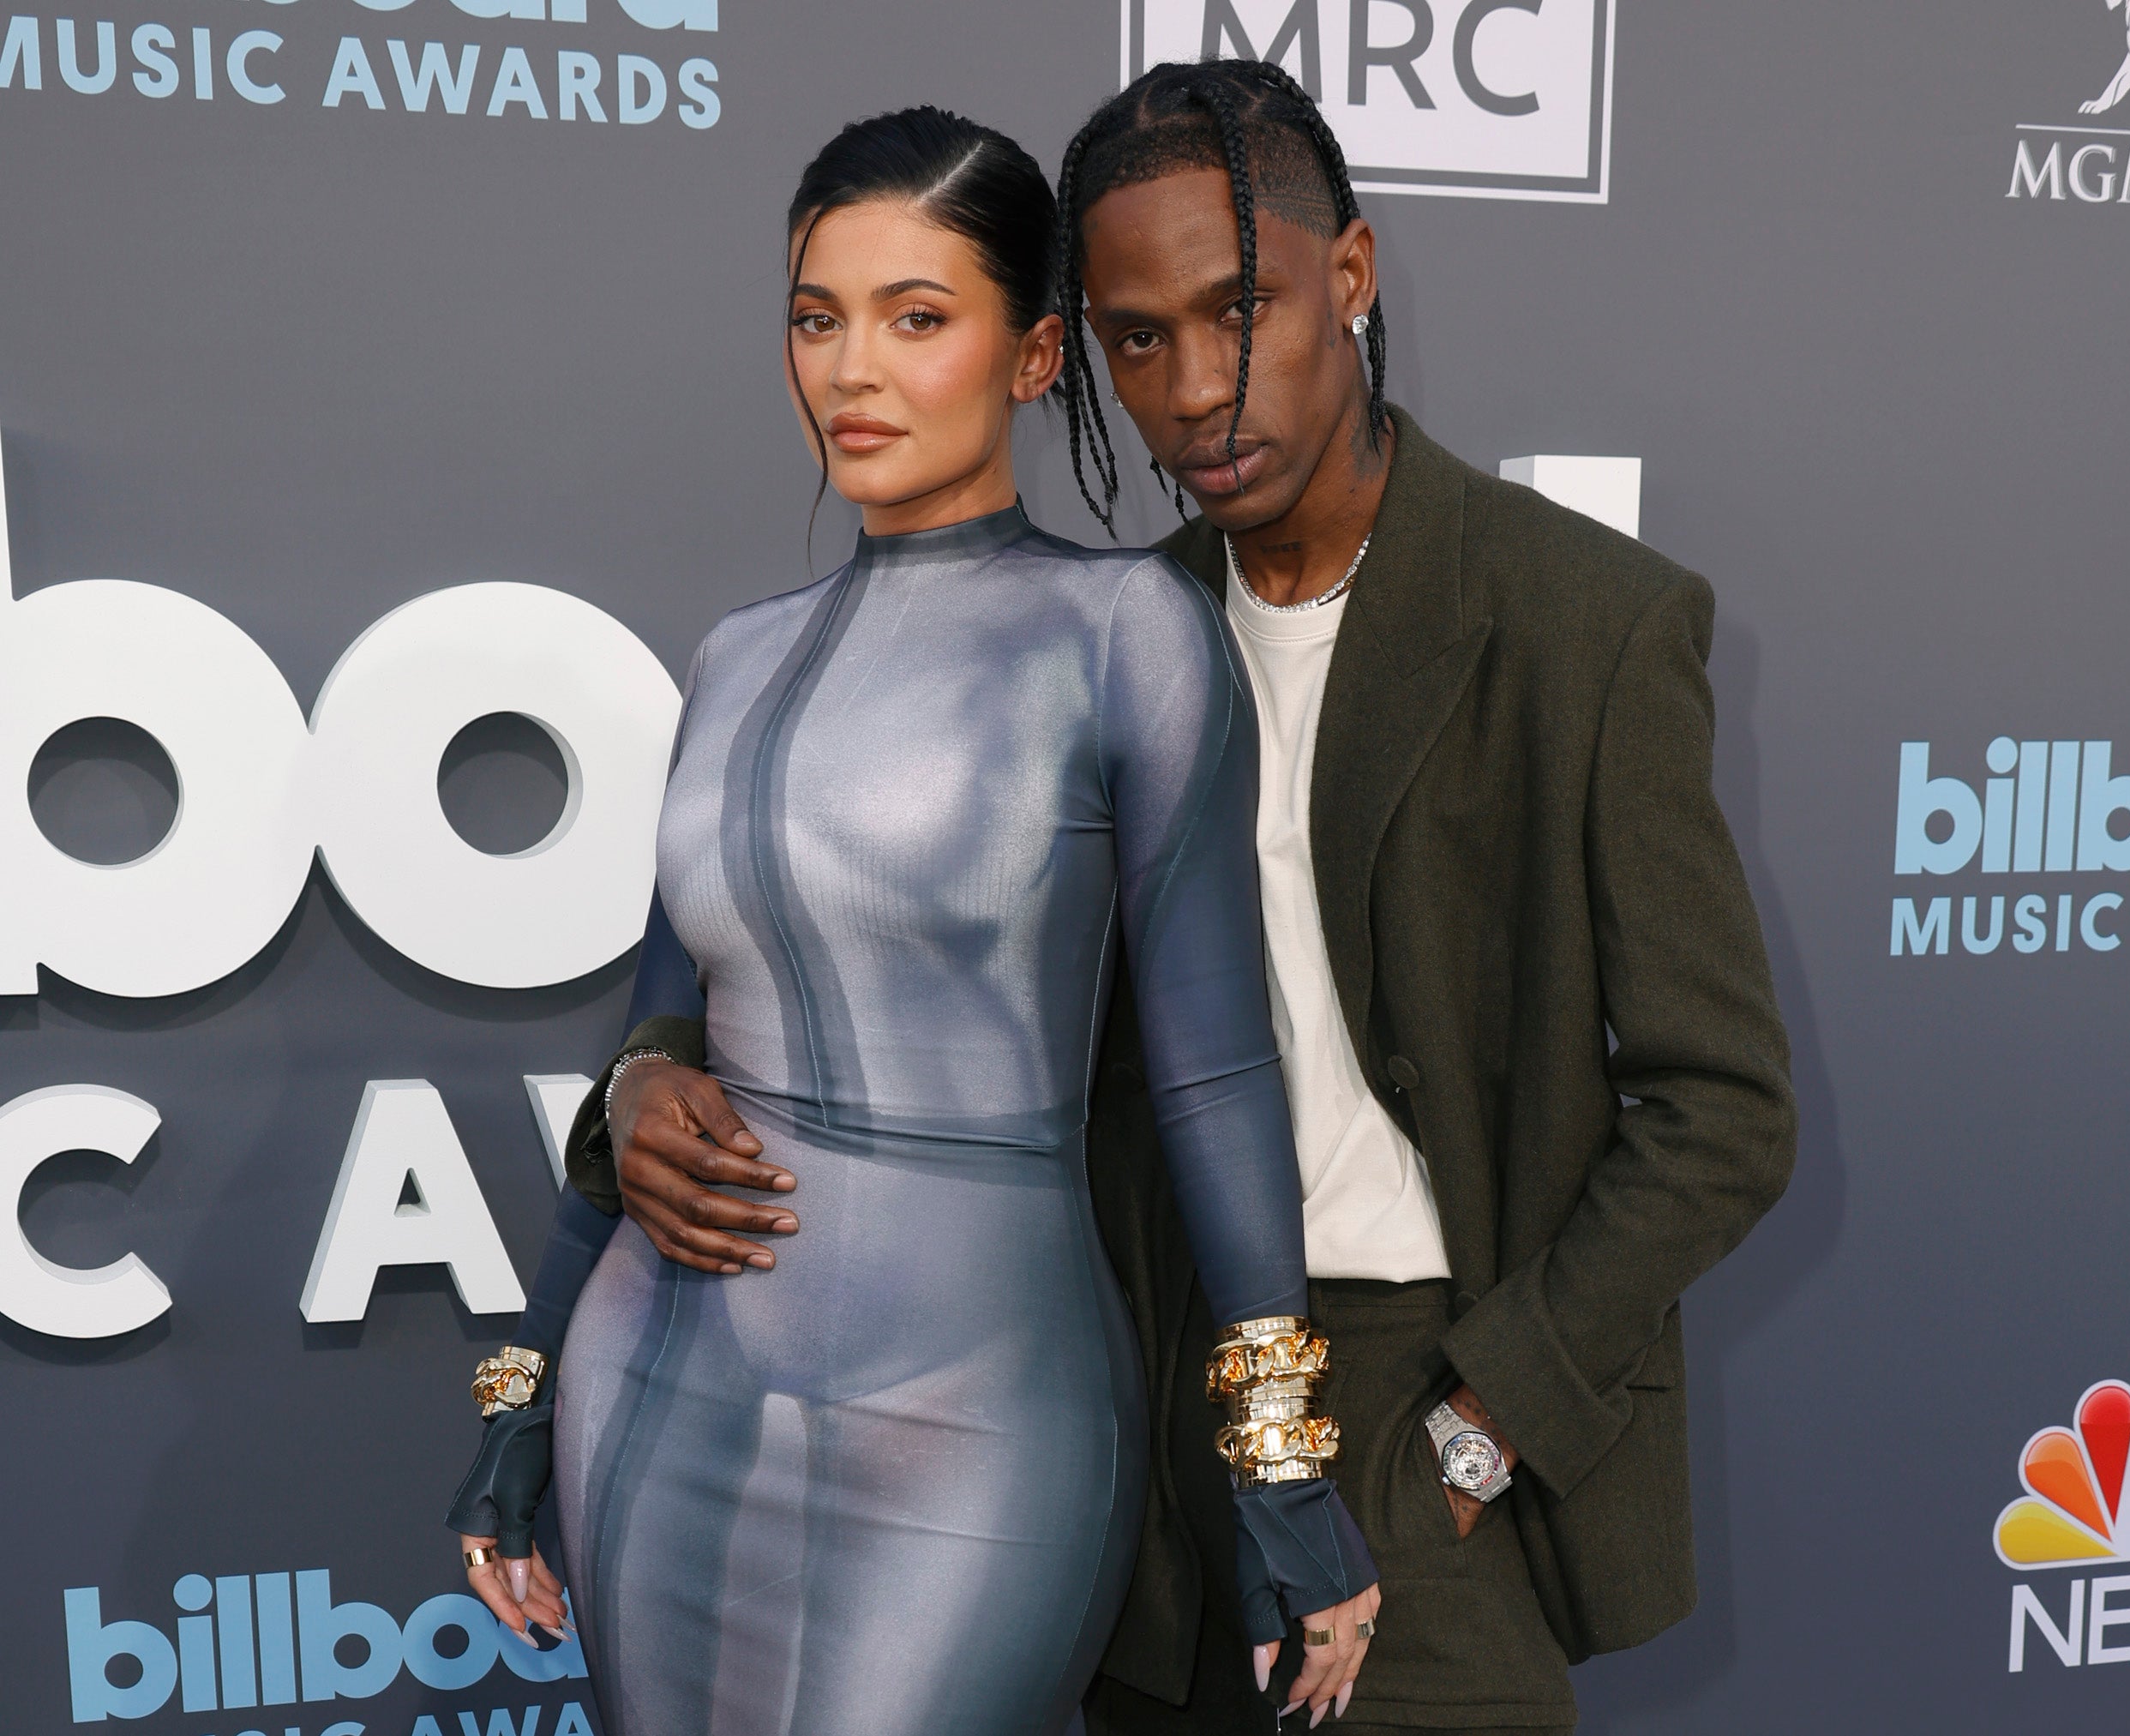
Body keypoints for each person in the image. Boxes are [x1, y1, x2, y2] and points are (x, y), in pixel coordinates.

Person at [602, 58, 1800, 1736]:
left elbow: (1721, 1103)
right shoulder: (1100, 627)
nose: (1190, 387)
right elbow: (802, 921)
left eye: (1240, 308)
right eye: (1135, 337)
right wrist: (650, 1062)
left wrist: (1474, 1424)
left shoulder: (1577, 622)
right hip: (1117, 1382)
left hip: (1406, 1396)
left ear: (1353, 280)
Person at [439, 105, 1382, 1736]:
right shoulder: (734, 655)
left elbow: (1216, 1076)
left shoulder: (1125, 637)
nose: (849, 370)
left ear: (1031, 360)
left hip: (975, 1418)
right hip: (659, 1388)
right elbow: (655, 1041)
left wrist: (1279, 1456)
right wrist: (522, 1388)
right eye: (819, 318)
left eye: (915, 317)